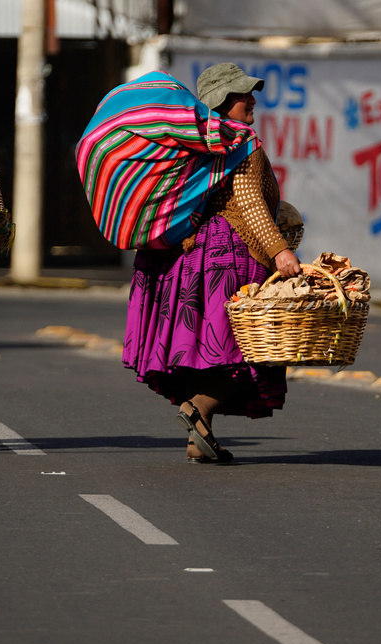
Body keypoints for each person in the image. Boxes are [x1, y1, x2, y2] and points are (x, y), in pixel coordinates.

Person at [122, 63, 301, 464]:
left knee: (208, 350)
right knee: (251, 352)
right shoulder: (240, 142)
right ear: (221, 102)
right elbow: (249, 204)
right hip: (230, 258)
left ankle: (198, 438)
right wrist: (281, 252)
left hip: (187, 260)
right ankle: (198, 408)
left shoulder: (196, 145)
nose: (252, 100)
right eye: (242, 95)